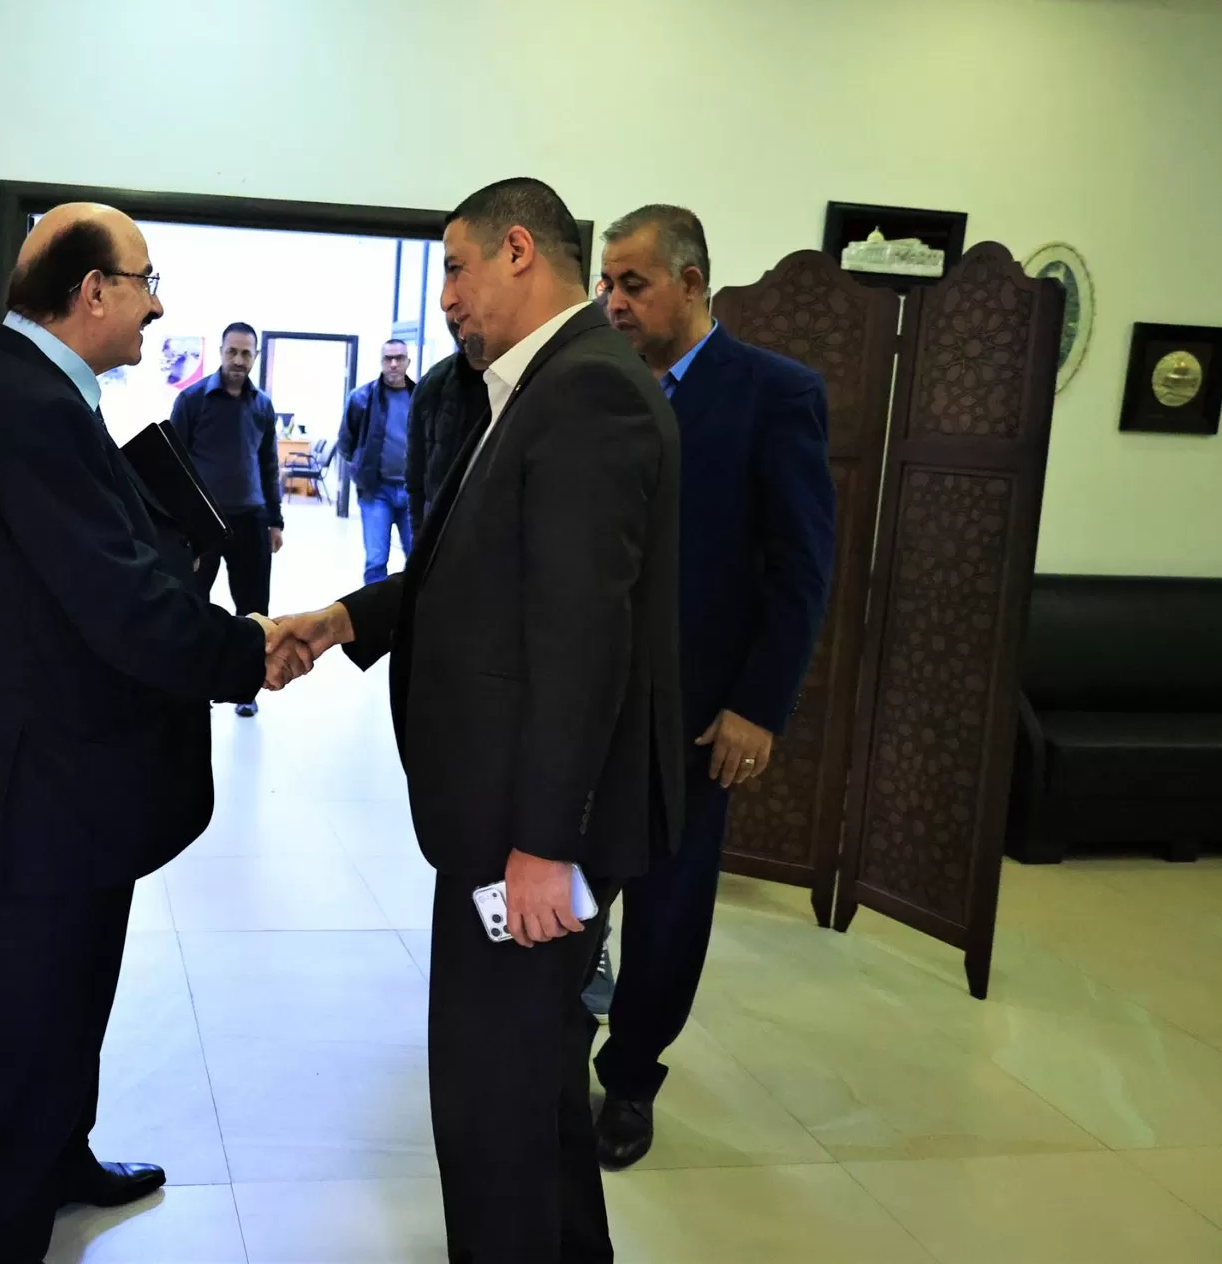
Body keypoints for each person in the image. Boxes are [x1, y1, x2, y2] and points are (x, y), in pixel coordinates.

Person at [268, 178, 683, 1264]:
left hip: (531, 839)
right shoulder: (536, 383)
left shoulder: (585, 393)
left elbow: (580, 641)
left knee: (487, 1097)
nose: (444, 296)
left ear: (516, 251)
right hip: (508, 823)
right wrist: (343, 618)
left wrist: (544, 844)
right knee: (531, 1083)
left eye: (454, 268)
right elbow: (472, 574)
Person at [0, 203, 287, 1264]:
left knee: (70, 1016)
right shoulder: (23, 405)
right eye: (145, 280)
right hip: (37, 791)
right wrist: (248, 648)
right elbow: (118, 599)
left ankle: (62, 1160)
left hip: (69, 781)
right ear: (92, 292)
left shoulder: (33, 393)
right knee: (35, 1047)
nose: (156, 304)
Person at [587, 205, 834, 1171]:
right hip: (589, 703)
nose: (614, 302)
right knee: (569, 887)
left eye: (633, 284)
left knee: (668, 908)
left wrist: (759, 708)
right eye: (607, 283)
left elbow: (800, 567)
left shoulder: (774, 393)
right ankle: (553, 1042)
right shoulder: (597, 385)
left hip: (694, 718)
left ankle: (632, 1078)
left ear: (692, 284)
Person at [169, 319, 284, 717]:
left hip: (251, 520)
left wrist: (275, 520)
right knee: (193, 603)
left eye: (246, 353)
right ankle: (192, 683)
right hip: (202, 522)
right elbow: (174, 463)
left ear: (255, 356)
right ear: (220, 352)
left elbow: (269, 465)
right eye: (232, 351)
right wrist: (177, 523)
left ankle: (246, 687)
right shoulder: (192, 400)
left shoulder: (262, 405)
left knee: (253, 608)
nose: (238, 359)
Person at [337, 337, 415, 583]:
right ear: (381, 362)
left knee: (419, 558)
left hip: (413, 492)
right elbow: (346, 442)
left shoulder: (420, 397)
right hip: (376, 490)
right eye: (388, 358)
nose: (393, 364)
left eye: (399, 358)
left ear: (408, 362)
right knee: (376, 560)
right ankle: (376, 607)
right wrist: (360, 471)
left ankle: (415, 606)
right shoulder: (361, 398)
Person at [405, 315, 491, 537]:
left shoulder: (534, 380)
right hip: (441, 534)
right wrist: (421, 539)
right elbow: (415, 475)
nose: (449, 303)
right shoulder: (433, 384)